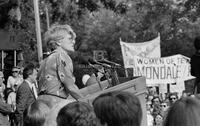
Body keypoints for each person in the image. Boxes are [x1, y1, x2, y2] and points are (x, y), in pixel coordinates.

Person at [37, 24, 83, 107]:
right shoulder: (62, 56)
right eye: (70, 39)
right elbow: (71, 87)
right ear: (58, 41)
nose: (73, 42)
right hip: (55, 104)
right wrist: (86, 101)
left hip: (40, 104)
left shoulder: (45, 60)